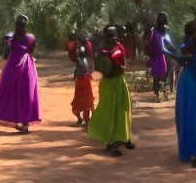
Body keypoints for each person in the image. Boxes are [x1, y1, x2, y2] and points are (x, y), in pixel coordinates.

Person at [0, 15, 41, 133]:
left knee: (26, 94)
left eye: (22, 25)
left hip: (25, 68)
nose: (20, 27)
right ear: (16, 25)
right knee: (13, 93)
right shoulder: (10, 37)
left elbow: (29, 51)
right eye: (18, 24)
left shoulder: (28, 38)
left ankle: (25, 123)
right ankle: (19, 120)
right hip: (14, 68)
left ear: (25, 25)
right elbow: (6, 52)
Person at [89, 25, 135, 157]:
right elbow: (100, 66)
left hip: (119, 81)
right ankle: (110, 143)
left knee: (124, 108)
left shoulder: (118, 47)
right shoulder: (101, 49)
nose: (113, 39)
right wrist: (109, 56)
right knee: (110, 111)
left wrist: (117, 59)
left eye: (114, 36)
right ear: (106, 37)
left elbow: (123, 62)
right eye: (110, 36)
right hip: (108, 84)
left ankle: (124, 137)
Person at [174, 20, 196, 165]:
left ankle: (190, 150)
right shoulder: (188, 43)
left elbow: (183, 59)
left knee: (188, 115)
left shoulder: (188, 43)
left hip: (189, 79)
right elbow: (183, 58)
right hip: (190, 80)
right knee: (189, 115)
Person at [146, 12, 176, 100]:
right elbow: (170, 43)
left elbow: (149, 44)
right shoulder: (157, 30)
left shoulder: (154, 30)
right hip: (162, 55)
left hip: (159, 55)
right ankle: (162, 91)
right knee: (165, 73)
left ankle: (158, 92)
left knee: (158, 75)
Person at [71, 45, 95, 126]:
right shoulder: (88, 60)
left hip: (81, 81)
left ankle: (80, 120)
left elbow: (76, 72)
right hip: (87, 81)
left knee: (78, 101)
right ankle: (87, 120)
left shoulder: (78, 60)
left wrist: (75, 78)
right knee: (88, 100)